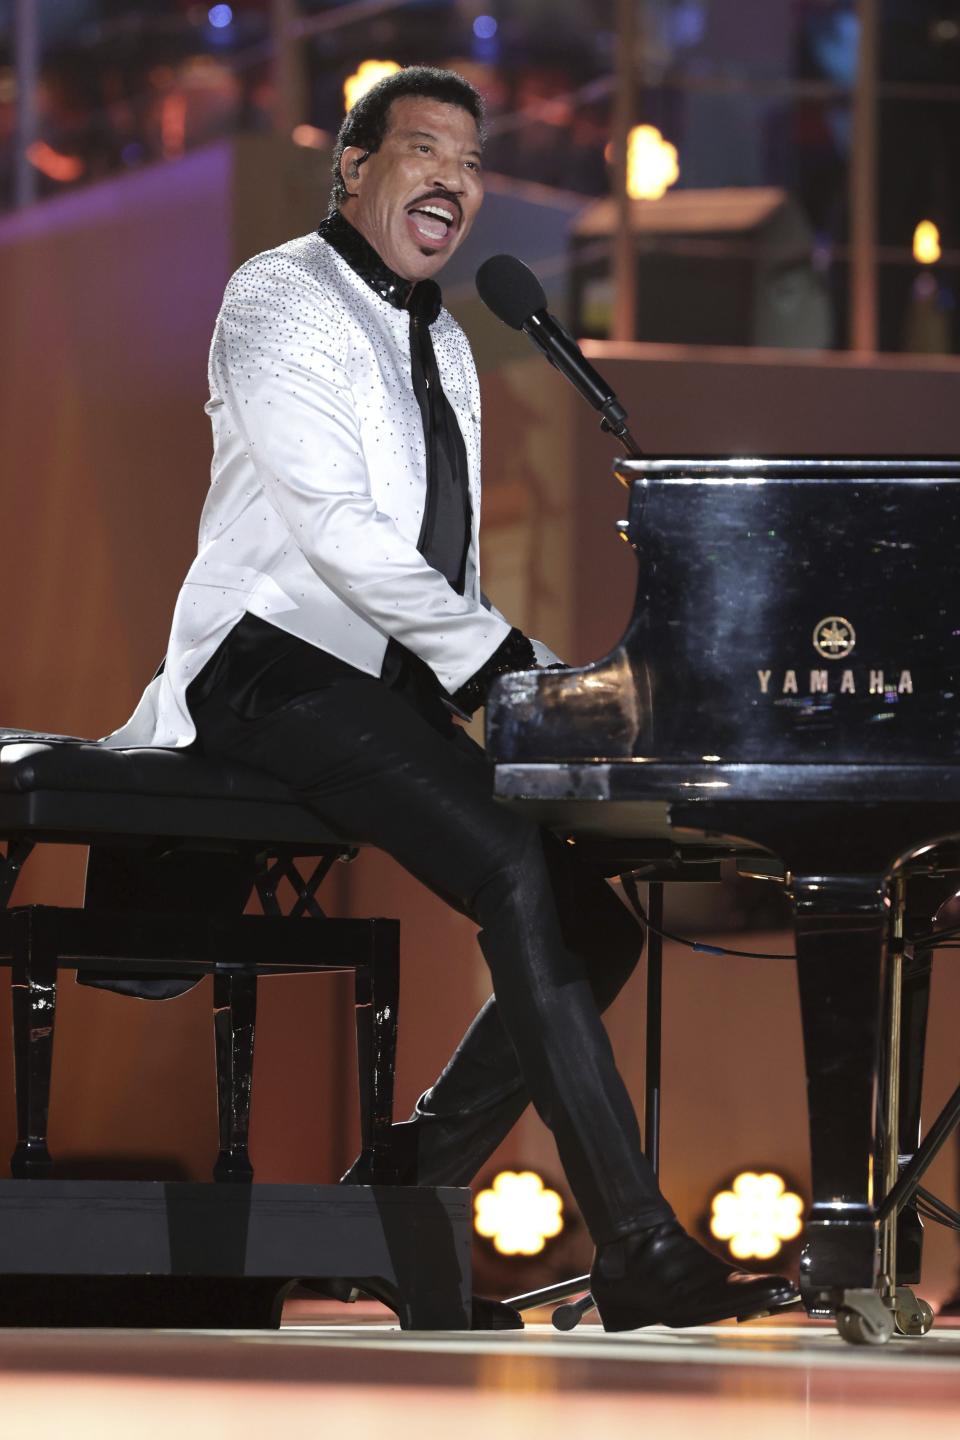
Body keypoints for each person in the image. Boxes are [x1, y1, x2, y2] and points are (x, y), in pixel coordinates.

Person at [105, 65, 797, 1332]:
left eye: (474, 164)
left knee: (598, 925)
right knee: (515, 873)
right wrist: (503, 664)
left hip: (387, 676)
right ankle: (637, 1245)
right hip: (271, 666)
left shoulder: (446, 337)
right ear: (353, 168)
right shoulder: (277, 295)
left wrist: (515, 696)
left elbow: (447, 554)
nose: (455, 182)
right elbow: (338, 532)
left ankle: (402, 1193)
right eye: (424, 151)